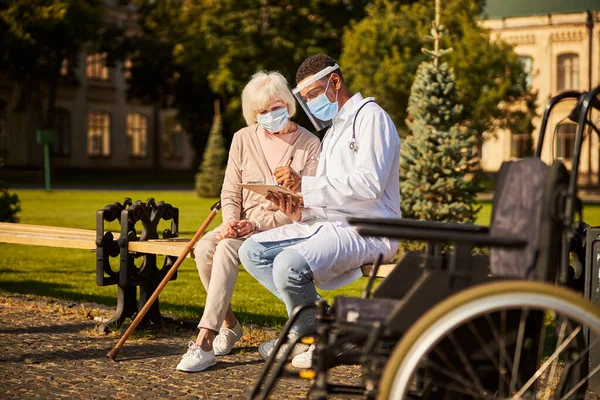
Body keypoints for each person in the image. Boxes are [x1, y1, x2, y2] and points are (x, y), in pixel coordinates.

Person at [238, 54, 401, 369]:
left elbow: (369, 186)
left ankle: (307, 337)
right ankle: (316, 328)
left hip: (370, 228)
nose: (310, 103)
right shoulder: (334, 129)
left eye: (312, 94)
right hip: (332, 226)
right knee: (252, 250)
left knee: (288, 263)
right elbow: (331, 196)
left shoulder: (372, 116)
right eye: (306, 97)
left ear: (335, 81)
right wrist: (300, 210)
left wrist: (305, 185)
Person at [176, 71, 320, 373]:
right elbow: (230, 190)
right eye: (262, 112)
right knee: (204, 248)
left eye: (276, 108)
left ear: (288, 104)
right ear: (253, 114)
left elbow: (307, 203)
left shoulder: (309, 144)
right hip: (242, 223)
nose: (270, 116)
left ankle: (204, 340)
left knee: (227, 248)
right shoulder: (242, 138)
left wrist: (254, 226)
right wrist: (231, 221)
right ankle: (228, 325)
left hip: (284, 227)